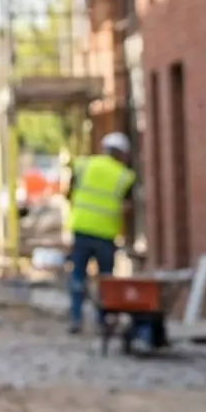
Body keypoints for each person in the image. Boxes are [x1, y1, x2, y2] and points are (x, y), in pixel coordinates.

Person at [66, 131, 138, 334]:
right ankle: (103, 321)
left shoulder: (83, 165)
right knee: (106, 279)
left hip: (81, 229)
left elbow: (69, 193)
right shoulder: (125, 176)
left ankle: (76, 319)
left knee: (78, 276)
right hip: (106, 235)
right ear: (122, 154)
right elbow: (128, 208)